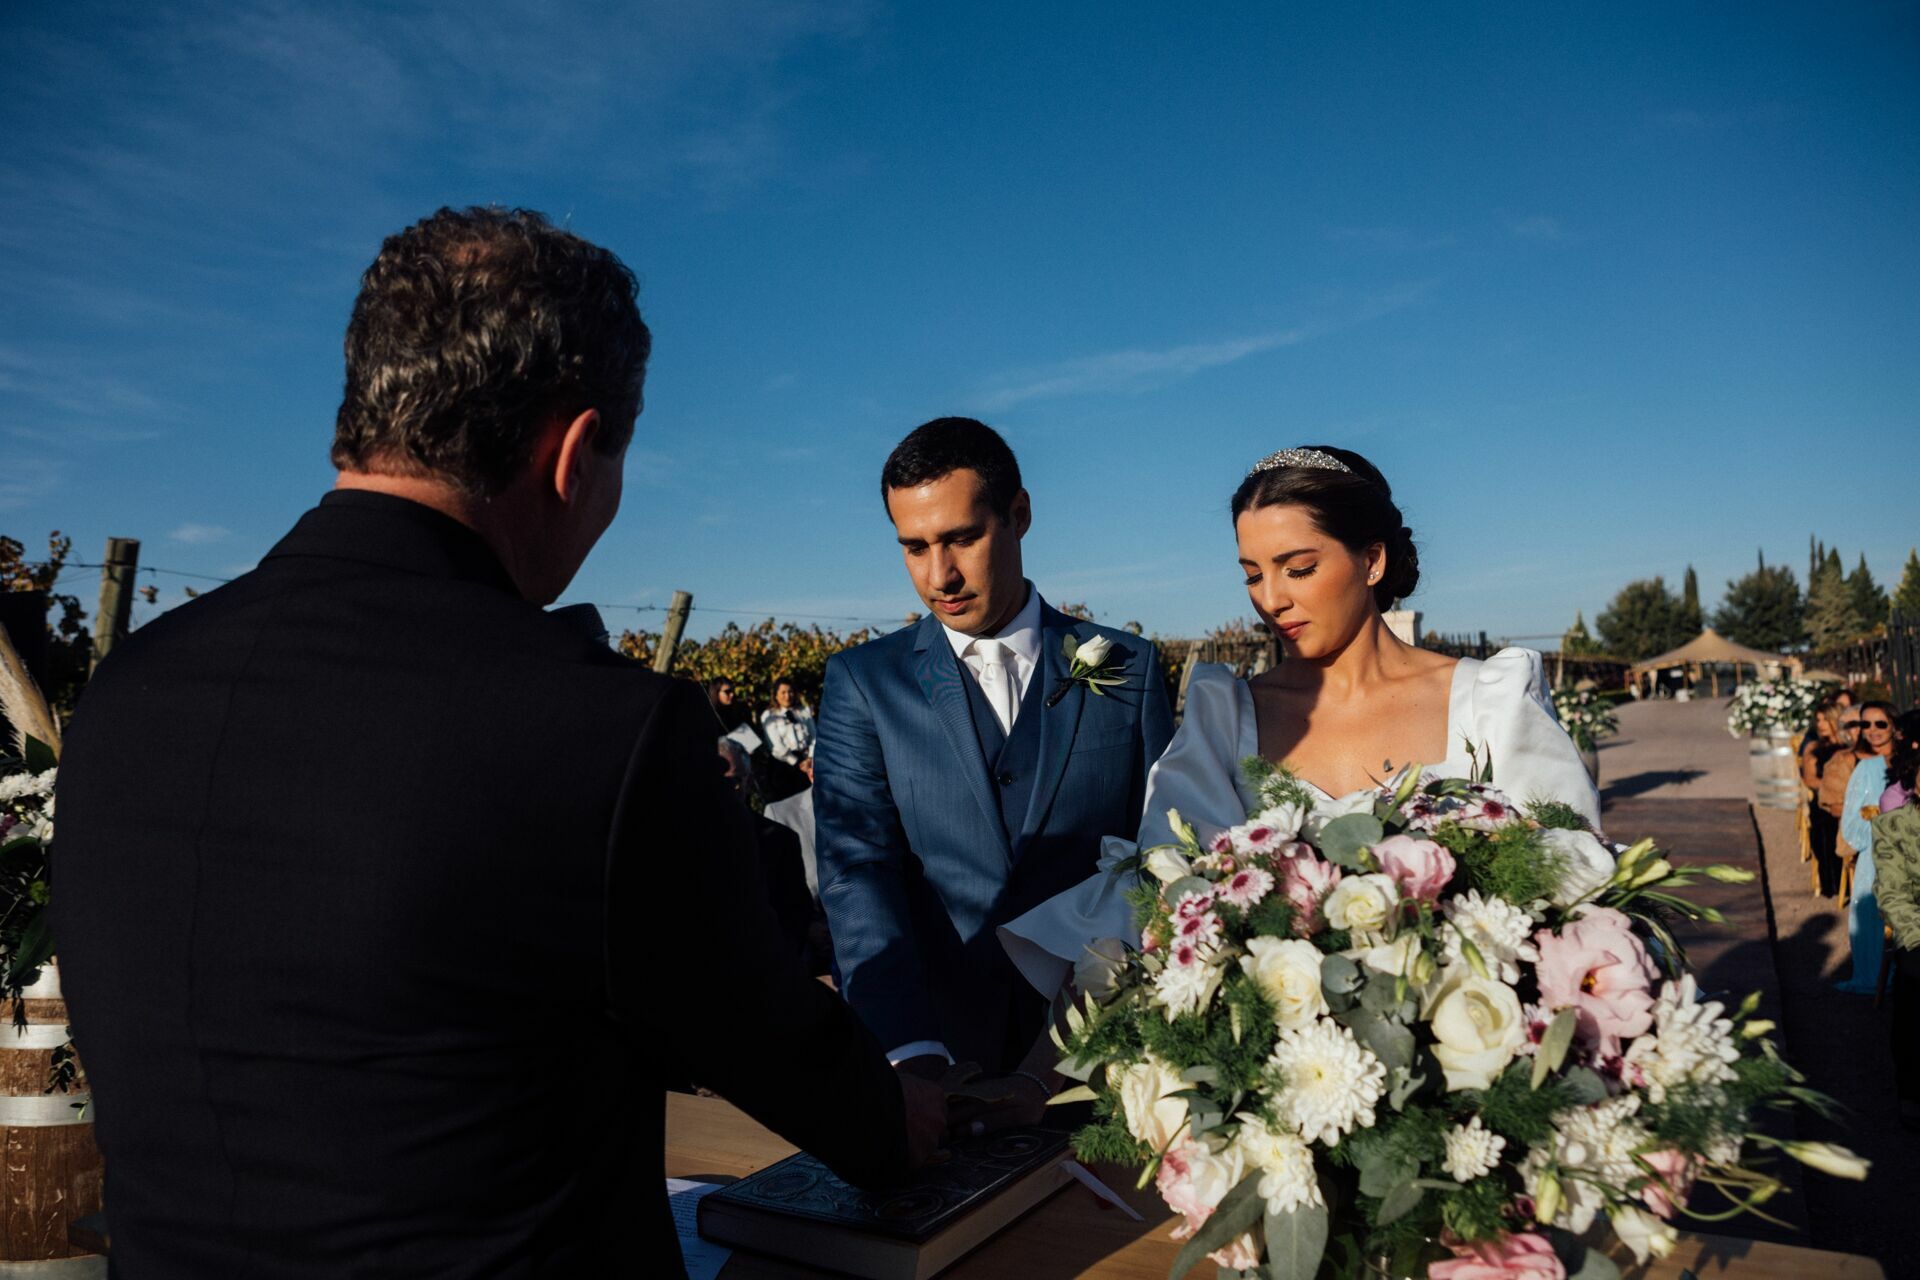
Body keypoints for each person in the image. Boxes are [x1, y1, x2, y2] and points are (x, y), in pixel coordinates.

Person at [51, 206, 942, 1279]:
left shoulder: (127, 695)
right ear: (572, 454)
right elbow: (791, 1061)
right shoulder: (599, 731)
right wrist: (918, 1112)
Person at [1001, 445, 1601, 1006]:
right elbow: (1165, 910)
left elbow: (1579, 892)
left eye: (1299, 568)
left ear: (1372, 560)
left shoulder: (1492, 703)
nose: (1270, 599)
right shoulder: (1223, 719)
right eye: (1252, 574)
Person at [813, 417, 1175, 1102]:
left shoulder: (1131, 667)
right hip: (938, 1062)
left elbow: (1159, 861)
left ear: (1019, 515)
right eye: (914, 547)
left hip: (1106, 1061)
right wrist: (910, 1055)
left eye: (962, 538)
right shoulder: (864, 682)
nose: (939, 575)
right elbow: (857, 871)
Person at [1872, 718, 1920, 1127]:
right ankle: (1911, 1089)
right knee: (1914, 984)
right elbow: (1891, 892)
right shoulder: (1895, 826)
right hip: (1917, 929)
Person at [1834, 700, 1897, 994]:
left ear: (1894, 726)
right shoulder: (1865, 769)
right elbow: (1851, 827)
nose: (1872, 730)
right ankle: (1875, 975)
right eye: (1866, 724)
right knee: (1871, 915)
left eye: (1880, 723)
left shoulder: (1911, 765)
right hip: (1874, 857)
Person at [1801, 700, 1848, 898]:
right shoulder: (1814, 747)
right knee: (1824, 823)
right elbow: (1810, 779)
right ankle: (1833, 882)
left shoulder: (1850, 747)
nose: (1820, 724)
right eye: (1818, 720)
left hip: (1849, 799)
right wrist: (1833, 790)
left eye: (1825, 719)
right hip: (1824, 801)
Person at [1819, 704, 1864, 896]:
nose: (1861, 729)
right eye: (1853, 725)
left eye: (1864, 723)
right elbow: (1835, 807)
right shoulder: (1841, 760)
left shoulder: (1892, 757)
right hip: (1861, 831)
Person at [760, 676, 816, 800]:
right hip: (784, 765)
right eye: (783, 692)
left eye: (790, 692)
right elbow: (776, 746)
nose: (787, 696)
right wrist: (796, 762)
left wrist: (810, 758)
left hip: (807, 762)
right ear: (776, 695)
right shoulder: (770, 716)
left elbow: (814, 737)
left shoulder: (803, 712)